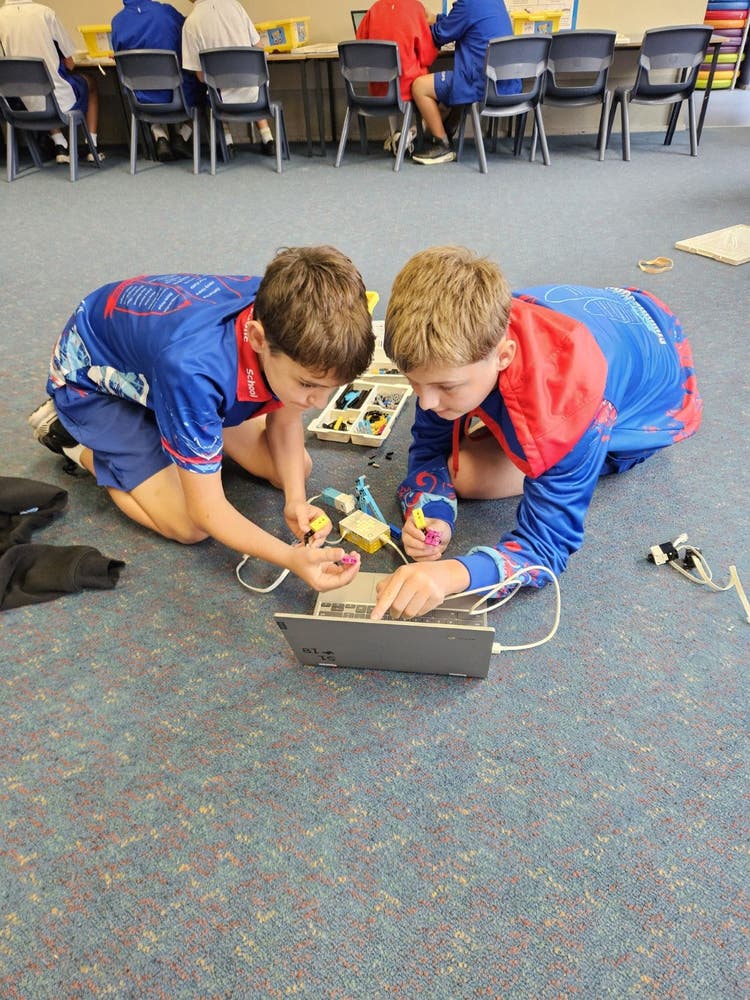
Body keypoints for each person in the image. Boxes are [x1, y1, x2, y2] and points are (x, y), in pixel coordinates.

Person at [371, 246, 702, 620]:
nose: (426, 402)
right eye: (413, 382)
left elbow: (546, 548)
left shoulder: (567, 407)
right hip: (615, 314)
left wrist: (455, 574)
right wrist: (432, 511)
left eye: (446, 387)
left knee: (469, 476)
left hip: (660, 399)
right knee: (459, 461)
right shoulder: (462, 341)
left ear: (504, 355)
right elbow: (430, 446)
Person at [29, 247, 375, 593]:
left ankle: (177, 423)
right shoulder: (193, 371)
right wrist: (289, 557)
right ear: (258, 339)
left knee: (294, 468)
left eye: (331, 388)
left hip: (166, 371)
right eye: (308, 385)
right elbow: (206, 510)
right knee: (189, 526)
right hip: (93, 385)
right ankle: (76, 443)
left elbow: (285, 421)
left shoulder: (292, 315)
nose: (320, 403)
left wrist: (295, 500)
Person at [411, 0, 515, 164]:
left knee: (419, 87)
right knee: (458, 76)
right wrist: (436, 18)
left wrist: (413, 27)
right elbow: (463, 19)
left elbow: (439, 35)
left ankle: (442, 144)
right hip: (506, 85)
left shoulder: (467, 4)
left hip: (480, 84)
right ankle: (448, 129)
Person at [0, 0, 103, 162]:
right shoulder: (45, 13)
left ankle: (59, 143)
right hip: (58, 102)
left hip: (18, 106)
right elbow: (70, 64)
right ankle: (92, 146)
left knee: (39, 91)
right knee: (90, 82)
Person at [111, 0, 203, 162]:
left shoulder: (117, 22)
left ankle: (160, 135)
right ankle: (182, 136)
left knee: (147, 92)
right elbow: (187, 35)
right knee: (201, 84)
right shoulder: (166, 12)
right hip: (177, 96)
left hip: (141, 99)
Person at [181, 0, 275, 156]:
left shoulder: (190, 23)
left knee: (212, 87)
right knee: (251, 84)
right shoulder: (235, 6)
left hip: (221, 102)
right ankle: (268, 138)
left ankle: (228, 141)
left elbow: (201, 77)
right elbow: (259, 48)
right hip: (256, 94)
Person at [355, 0, 438, 155]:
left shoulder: (374, 10)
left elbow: (360, 45)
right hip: (409, 87)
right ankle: (410, 134)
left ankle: (395, 135)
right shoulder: (415, 8)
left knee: (392, 81)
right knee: (437, 89)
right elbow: (427, 56)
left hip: (381, 87)